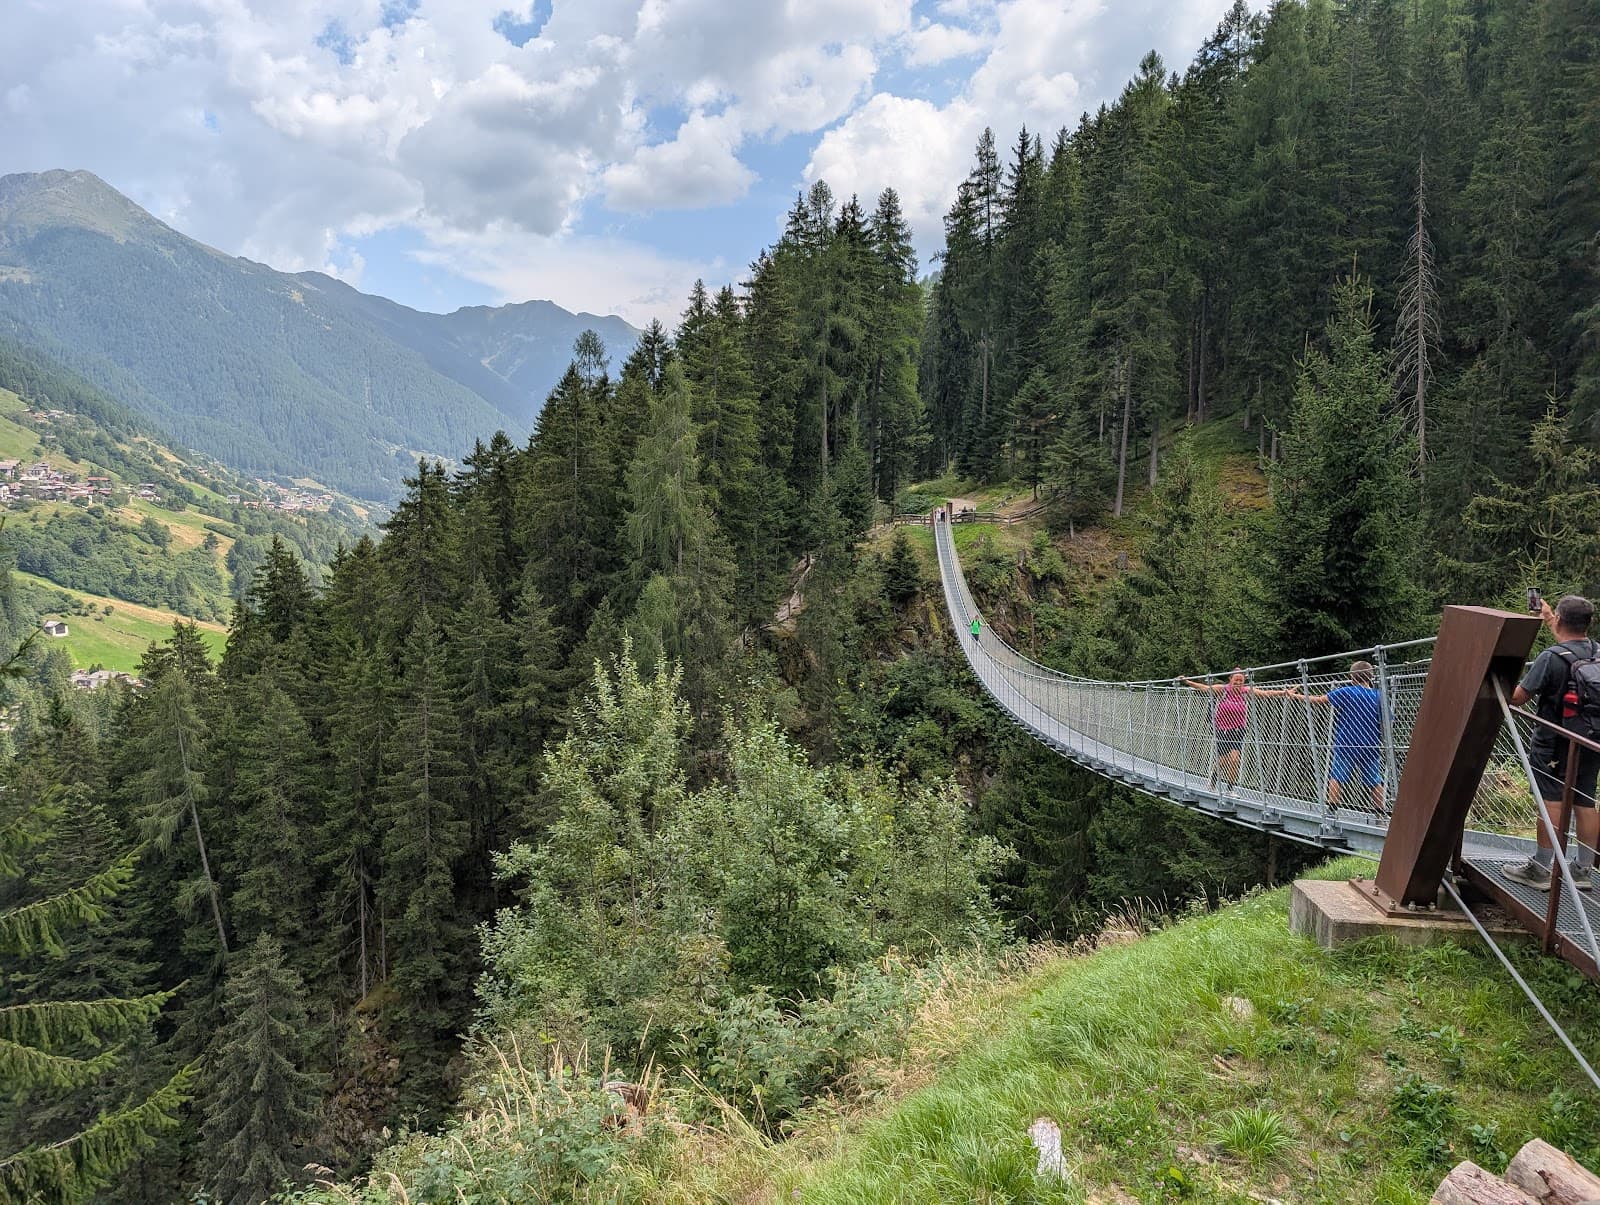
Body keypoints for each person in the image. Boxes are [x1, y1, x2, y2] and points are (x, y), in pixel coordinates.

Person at [1502, 595, 1600, 892]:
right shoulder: (1597, 652)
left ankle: (1541, 868)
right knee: (1585, 801)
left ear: (1559, 619)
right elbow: (1570, 648)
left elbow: (1517, 697)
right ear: (1589, 623)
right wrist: (1547, 617)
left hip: (1554, 743)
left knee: (1552, 801)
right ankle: (1583, 869)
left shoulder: (1550, 657)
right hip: (1591, 739)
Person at [1292, 662, 1386, 812]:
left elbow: (1318, 700)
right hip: (1370, 744)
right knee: (1374, 780)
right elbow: (1387, 721)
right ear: (1370, 676)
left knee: (1337, 776)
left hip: (1347, 742)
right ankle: (1381, 811)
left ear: (1352, 677)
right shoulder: (1379, 696)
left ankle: (1332, 809)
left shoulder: (1347, 691)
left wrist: (1296, 696)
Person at [1183, 669, 1292, 791]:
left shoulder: (1246, 692)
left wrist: (1283, 692)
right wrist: (1187, 682)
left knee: (1235, 759)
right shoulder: (1222, 690)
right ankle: (1213, 781)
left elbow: (1266, 693)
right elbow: (1204, 688)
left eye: (1241, 680)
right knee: (1222, 761)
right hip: (1222, 730)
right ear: (1230, 680)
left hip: (1238, 730)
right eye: (1236, 680)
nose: (1238, 683)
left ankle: (1230, 789)